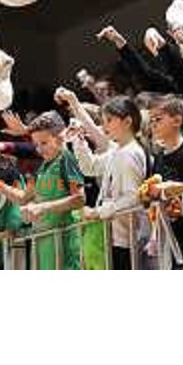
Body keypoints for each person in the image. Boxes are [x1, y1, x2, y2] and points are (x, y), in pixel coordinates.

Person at [0, 111, 85, 270]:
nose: (39, 150)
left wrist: (42, 207)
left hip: (64, 242)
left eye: (44, 143)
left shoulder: (66, 158)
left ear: (60, 137)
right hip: (44, 243)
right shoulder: (43, 166)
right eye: (36, 145)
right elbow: (23, 198)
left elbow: (80, 199)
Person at [68, 95, 147, 270]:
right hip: (116, 235)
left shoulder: (130, 153)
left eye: (109, 120)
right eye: (103, 121)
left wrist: (98, 212)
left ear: (127, 121)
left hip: (128, 238)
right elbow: (90, 167)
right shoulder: (117, 150)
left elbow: (133, 198)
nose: (104, 126)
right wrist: (78, 141)